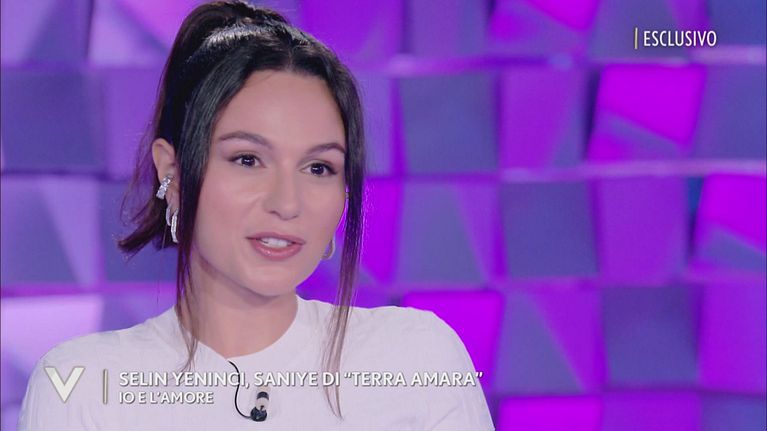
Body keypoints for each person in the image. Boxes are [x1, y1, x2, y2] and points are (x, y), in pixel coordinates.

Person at [17, 1, 495, 429]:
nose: (287, 203)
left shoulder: (415, 361)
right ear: (173, 174)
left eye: (318, 168)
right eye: (247, 159)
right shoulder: (84, 388)